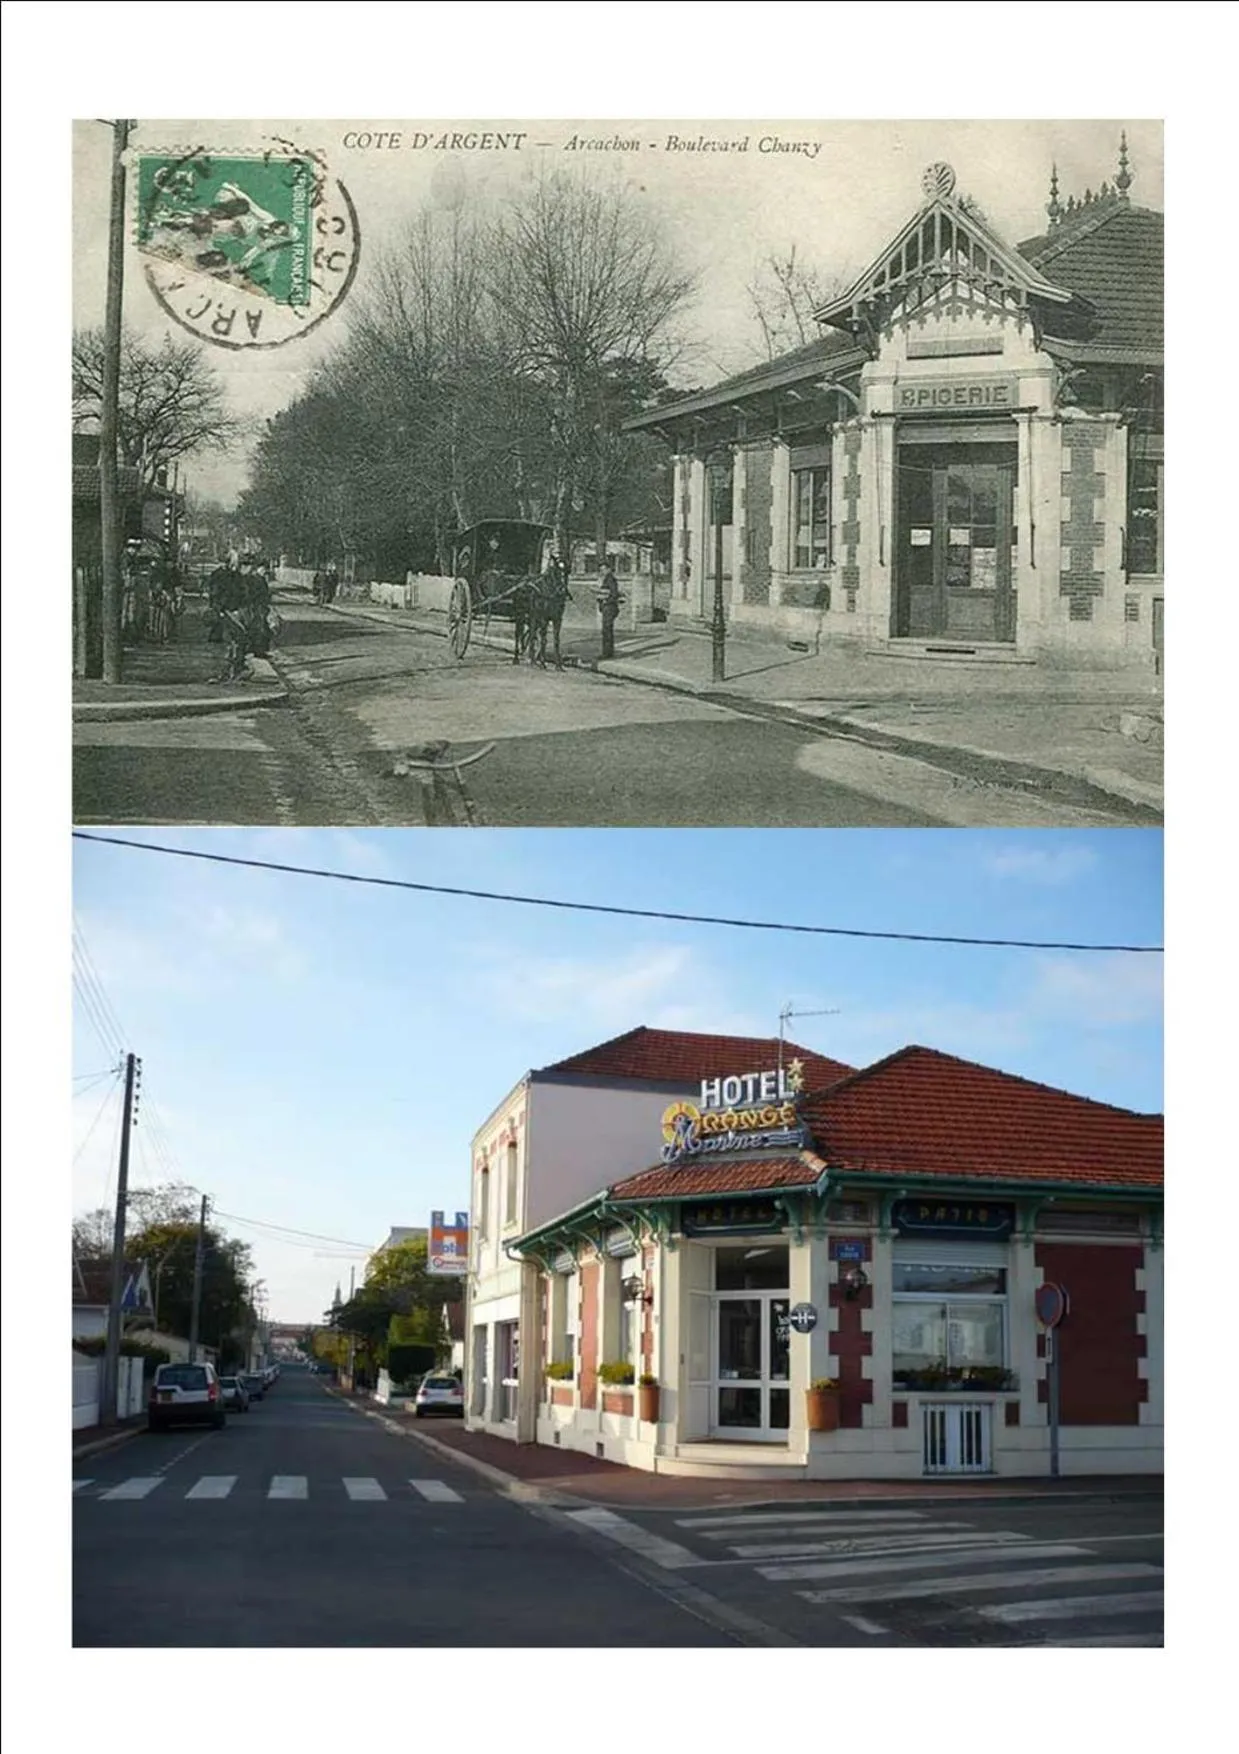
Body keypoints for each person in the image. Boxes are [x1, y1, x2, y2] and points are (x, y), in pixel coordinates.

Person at [598, 558, 620, 660]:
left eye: (603, 569)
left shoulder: (610, 579)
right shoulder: (607, 578)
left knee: (607, 630)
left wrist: (606, 601)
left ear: (609, 569)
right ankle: (607, 652)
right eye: (601, 570)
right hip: (607, 607)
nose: (602, 572)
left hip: (609, 607)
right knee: (606, 630)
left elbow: (614, 594)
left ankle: (607, 653)